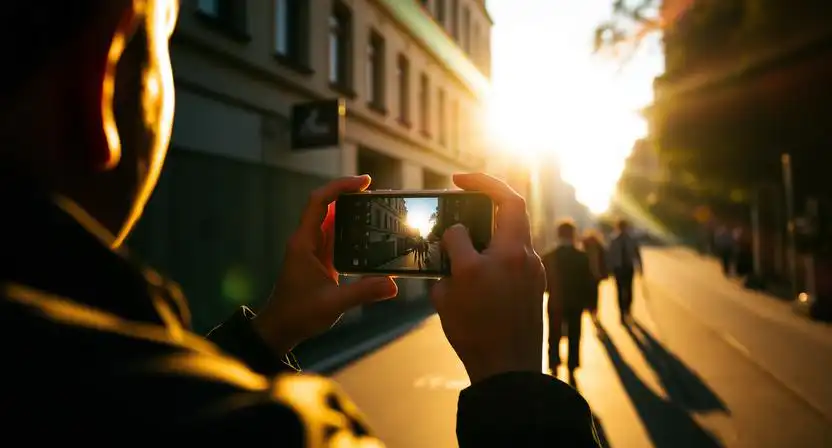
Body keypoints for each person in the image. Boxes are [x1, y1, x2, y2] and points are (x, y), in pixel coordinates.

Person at [0, 1, 600, 445]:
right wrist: (515, 380)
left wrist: (268, 334)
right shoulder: (280, 432)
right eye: (165, 42)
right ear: (99, 77)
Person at [541, 220, 596, 385]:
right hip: (575, 301)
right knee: (574, 335)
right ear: (573, 235)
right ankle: (572, 368)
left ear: (558, 235)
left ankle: (554, 365)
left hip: (556, 302)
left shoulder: (549, 256)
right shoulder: (581, 257)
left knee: (554, 335)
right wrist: (591, 303)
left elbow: (544, 282)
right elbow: (588, 281)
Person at [608, 219, 643, 324]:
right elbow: (610, 255)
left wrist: (640, 266)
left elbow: (637, 253)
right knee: (619, 290)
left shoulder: (631, 240)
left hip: (628, 267)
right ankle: (621, 312)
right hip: (618, 268)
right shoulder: (614, 240)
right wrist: (610, 268)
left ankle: (628, 309)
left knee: (628, 289)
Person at [581, 230, 609, 325]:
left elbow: (603, 262)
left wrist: (604, 273)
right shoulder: (584, 249)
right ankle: (591, 310)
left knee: (594, 294)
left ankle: (593, 311)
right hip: (588, 276)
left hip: (595, 276)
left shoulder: (599, 249)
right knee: (590, 294)